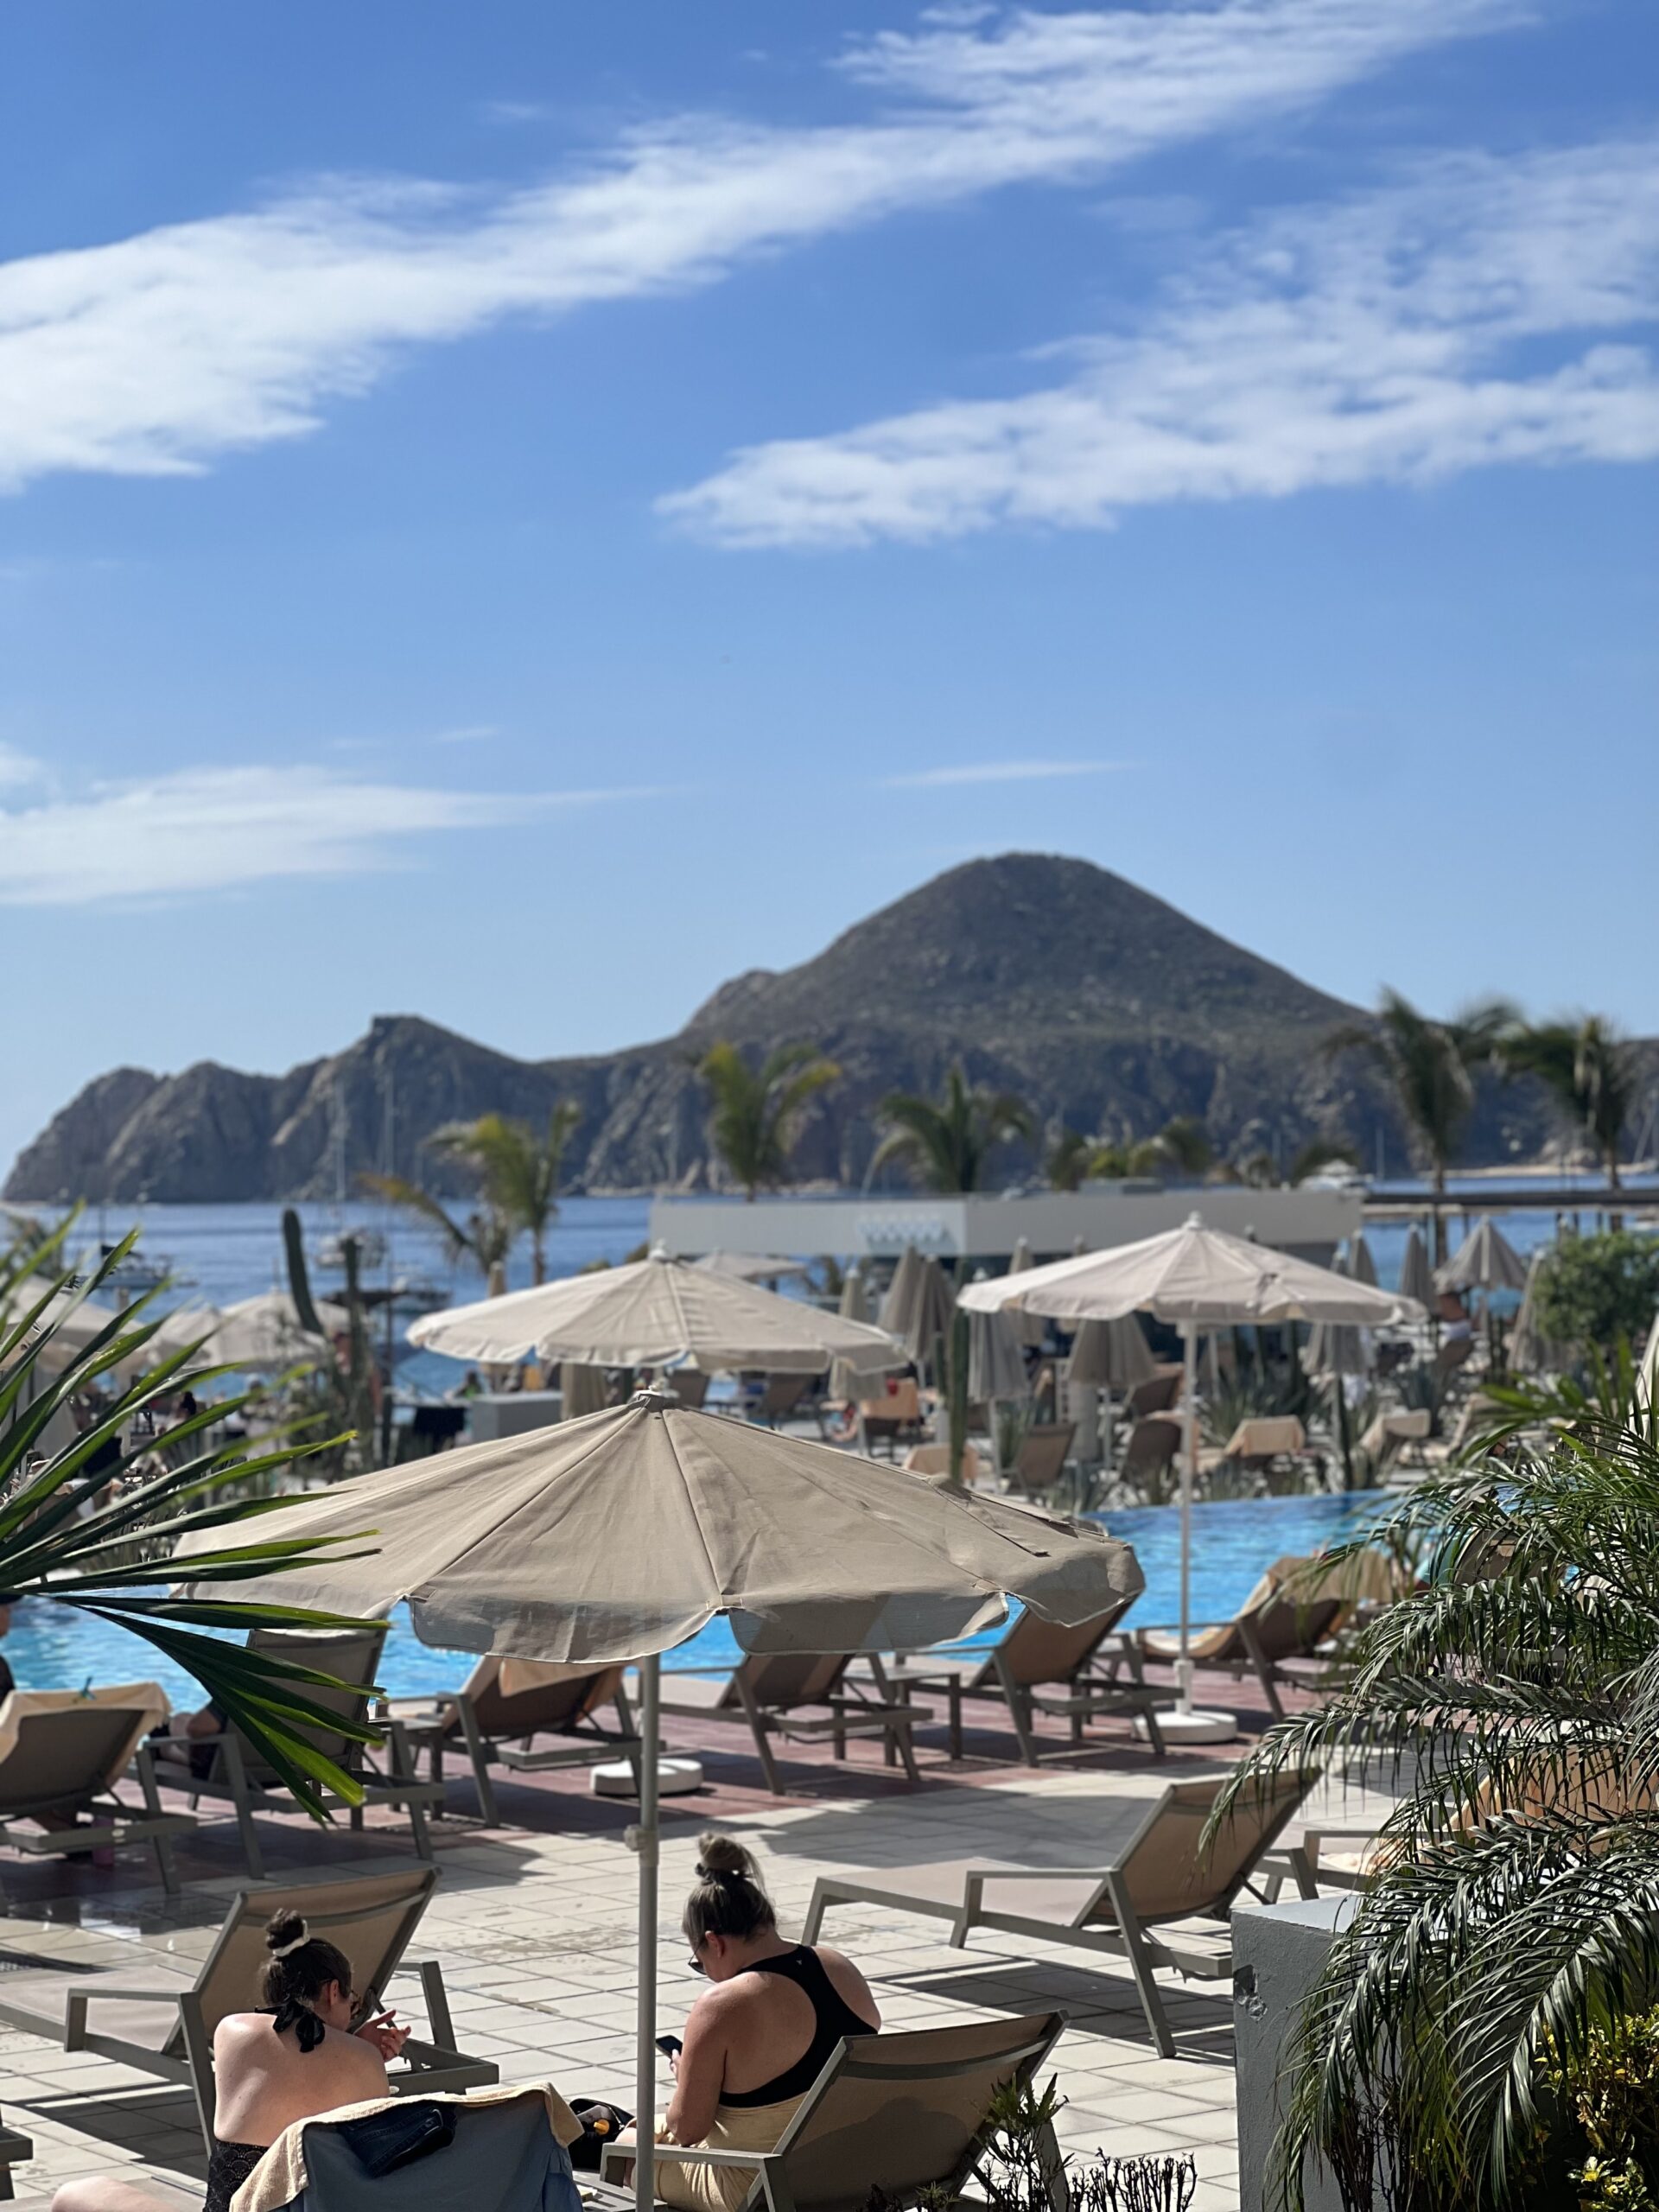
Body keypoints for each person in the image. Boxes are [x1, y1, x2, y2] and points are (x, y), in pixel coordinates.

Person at [51, 1907, 409, 2212]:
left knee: (74, 2194)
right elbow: (380, 2164)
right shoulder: (362, 2059)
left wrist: (351, 2044)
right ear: (333, 1992)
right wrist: (361, 2050)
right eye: (353, 2003)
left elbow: (295, 2051)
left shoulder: (231, 2032)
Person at [639, 1834, 880, 2212]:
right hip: (851, 2169)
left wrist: (687, 2074)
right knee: (642, 2128)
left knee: (622, 2149)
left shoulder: (722, 2005)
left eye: (699, 1962)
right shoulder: (837, 1965)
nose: (708, 1974)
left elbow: (687, 2130)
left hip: (760, 2187)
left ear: (714, 1942)